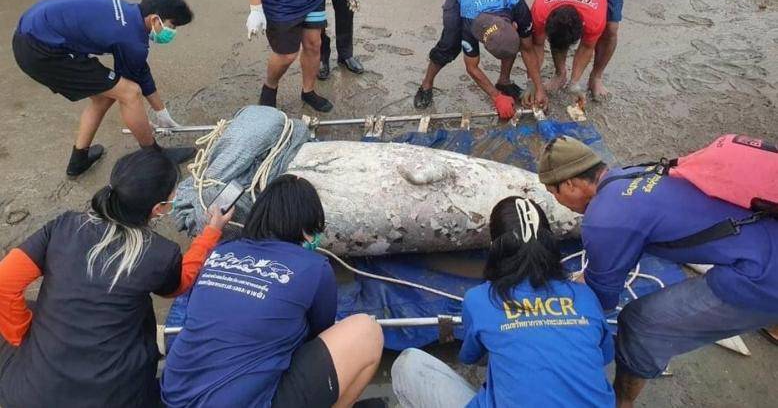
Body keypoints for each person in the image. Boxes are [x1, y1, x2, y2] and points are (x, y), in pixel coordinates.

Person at [537, 136, 778, 408]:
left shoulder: (602, 222)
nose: (556, 201)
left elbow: (603, 300)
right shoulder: (632, 174)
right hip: (767, 232)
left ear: (571, 183)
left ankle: (621, 400)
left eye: (553, 192)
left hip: (763, 276)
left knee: (640, 324)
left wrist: (579, 287)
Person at [0, 149, 232, 408]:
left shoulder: (64, 226)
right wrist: (211, 232)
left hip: (28, 396)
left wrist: (22, 335)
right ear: (158, 209)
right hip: (112, 396)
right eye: (172, 195)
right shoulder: (159, 253)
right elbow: (180, 284)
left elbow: (4, 283)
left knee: (28, 313)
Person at [161, 174, 384, 407]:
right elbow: (320, 332)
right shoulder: (314, 267)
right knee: (367, 330)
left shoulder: (221, 250)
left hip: (175, 392)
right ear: (305, 226)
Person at [391, 196, 615, 407]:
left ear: (495, 247)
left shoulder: (480, 299)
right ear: (550, 244)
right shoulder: (584, 296)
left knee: (408, 364)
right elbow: (604, 356)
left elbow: (470, 356)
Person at [12, 0, 197, 177]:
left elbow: (139, 69)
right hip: (41, 49)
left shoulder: (129, 12)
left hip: (31, 31)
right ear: (154, 19)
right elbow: (136, 78)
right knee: (129, 93)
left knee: (105, 95)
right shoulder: (130, 38)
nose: (172, 32)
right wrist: (144, 115)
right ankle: (154, 155)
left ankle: (79, 159)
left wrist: (161, 112)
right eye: (172, 26)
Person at [413, 0, 543, 119]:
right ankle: (426, 85)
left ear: (515, 25)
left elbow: (528, 48)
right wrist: (496, 97)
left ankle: (504, 82)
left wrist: (538, 88)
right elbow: (472, 66)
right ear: (483, 40)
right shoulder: (470, 20)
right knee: (450, 44)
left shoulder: (519, 8)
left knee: (510, 43)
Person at [528, 0, 624, 106]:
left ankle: (596, 77)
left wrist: (575, 84)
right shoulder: (540, 9)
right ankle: (560, 74)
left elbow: (587, 46)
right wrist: (533, 83)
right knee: (558, 39)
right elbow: (536, 45)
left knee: (611, 29)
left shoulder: (594, 17)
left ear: (583, 27)